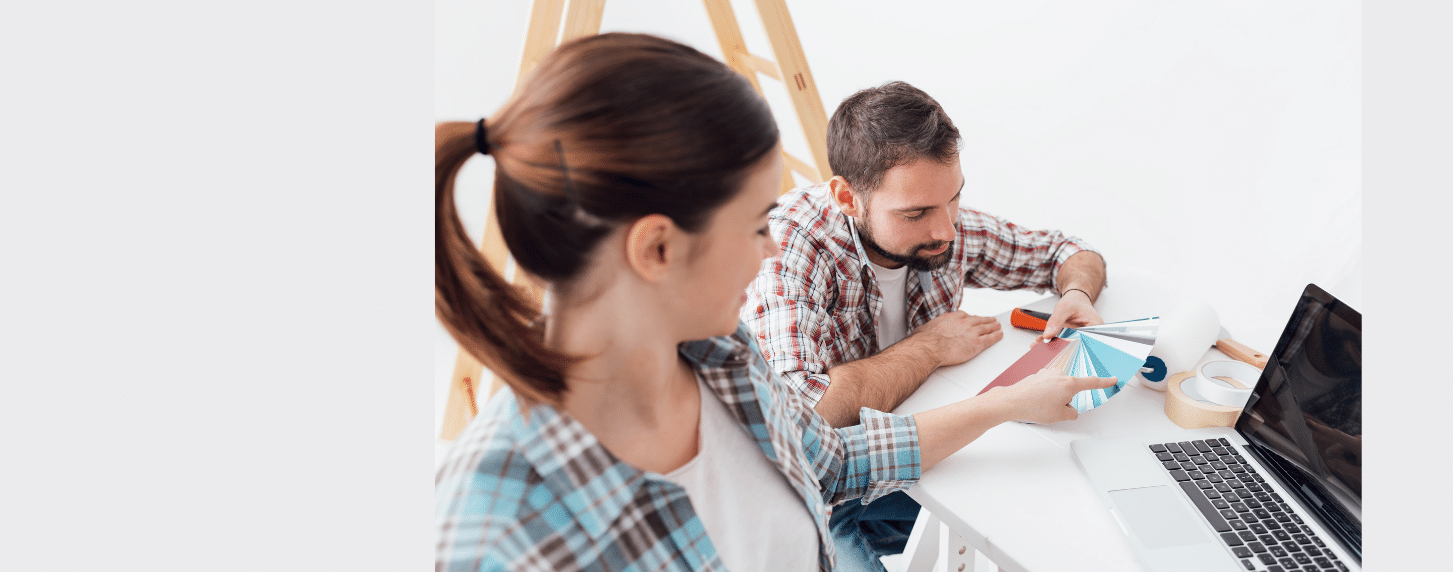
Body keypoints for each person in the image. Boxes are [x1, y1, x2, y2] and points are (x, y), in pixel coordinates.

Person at [434, 33, 1114, 572]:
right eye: (757, 222)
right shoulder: (496, 530)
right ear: (657, 249)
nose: (769, 250)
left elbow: (835, 460)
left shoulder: (720, 360)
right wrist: (934, 353)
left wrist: (1007, 404)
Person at [742, 81, 1110, 569]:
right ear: (848, 198)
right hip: (810, 494)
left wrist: (1076, 293)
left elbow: (1069, 252)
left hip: (913, 459)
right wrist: (930, 348)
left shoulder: (939, 221)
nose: (946, 231)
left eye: (954, 199)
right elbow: (815, 423)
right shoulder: (790, 250)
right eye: (916, 213)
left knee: (1058, 514)